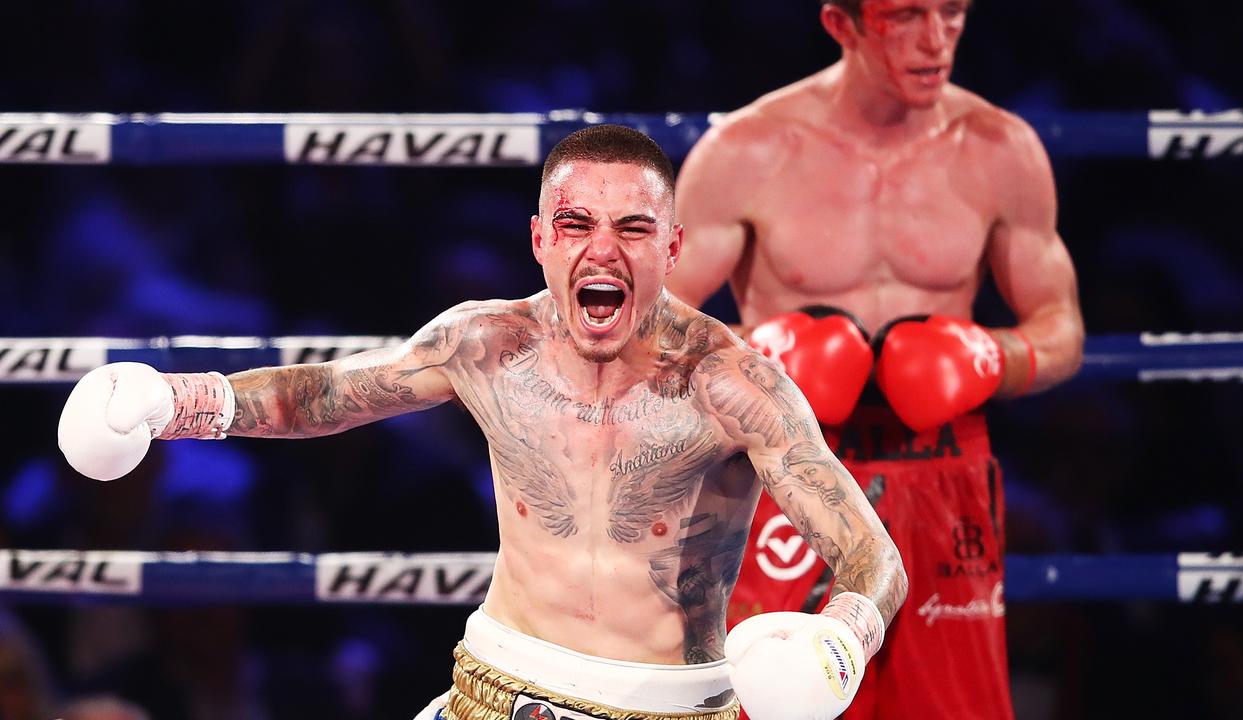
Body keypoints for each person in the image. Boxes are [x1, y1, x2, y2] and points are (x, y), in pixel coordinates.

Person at [58, 125, 908, 720]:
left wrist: (843, 638)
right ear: (540, 239)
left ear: (672, 247)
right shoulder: (487, 345)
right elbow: (325, 394)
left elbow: (873, 556)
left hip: (667, 710)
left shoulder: (732, 385)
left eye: (632, 228)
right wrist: (178, 402)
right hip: (493, 693)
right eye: (576, 224)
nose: (601, 250)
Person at [667, 2, 1085, 718]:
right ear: (842, 24)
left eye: (952, 11)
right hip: (791, 467)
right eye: (905, 16)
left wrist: (990, 355)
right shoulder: (749, 150)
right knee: (771, 705)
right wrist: (760, 355)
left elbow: (1061, 328)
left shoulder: (998, 149)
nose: (937, 38)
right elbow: (653, 322)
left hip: (944, 473)